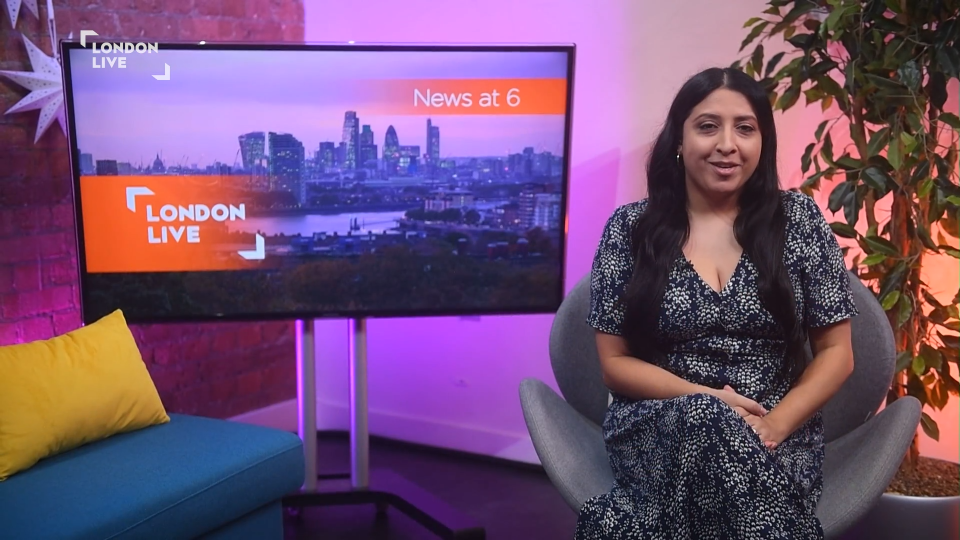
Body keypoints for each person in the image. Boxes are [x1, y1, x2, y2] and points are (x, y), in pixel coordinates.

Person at [575, 67, 859, 540]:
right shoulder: (630, 229)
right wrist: (711, 403)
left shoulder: (799, 220)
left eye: (745, 128)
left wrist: (771, 426)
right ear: (679, 140)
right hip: (659, 422)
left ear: (762, 141)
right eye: (708, 126)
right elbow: (615, 364)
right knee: (704, 421)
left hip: (774, 431)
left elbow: (838, 353)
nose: (727, 144)